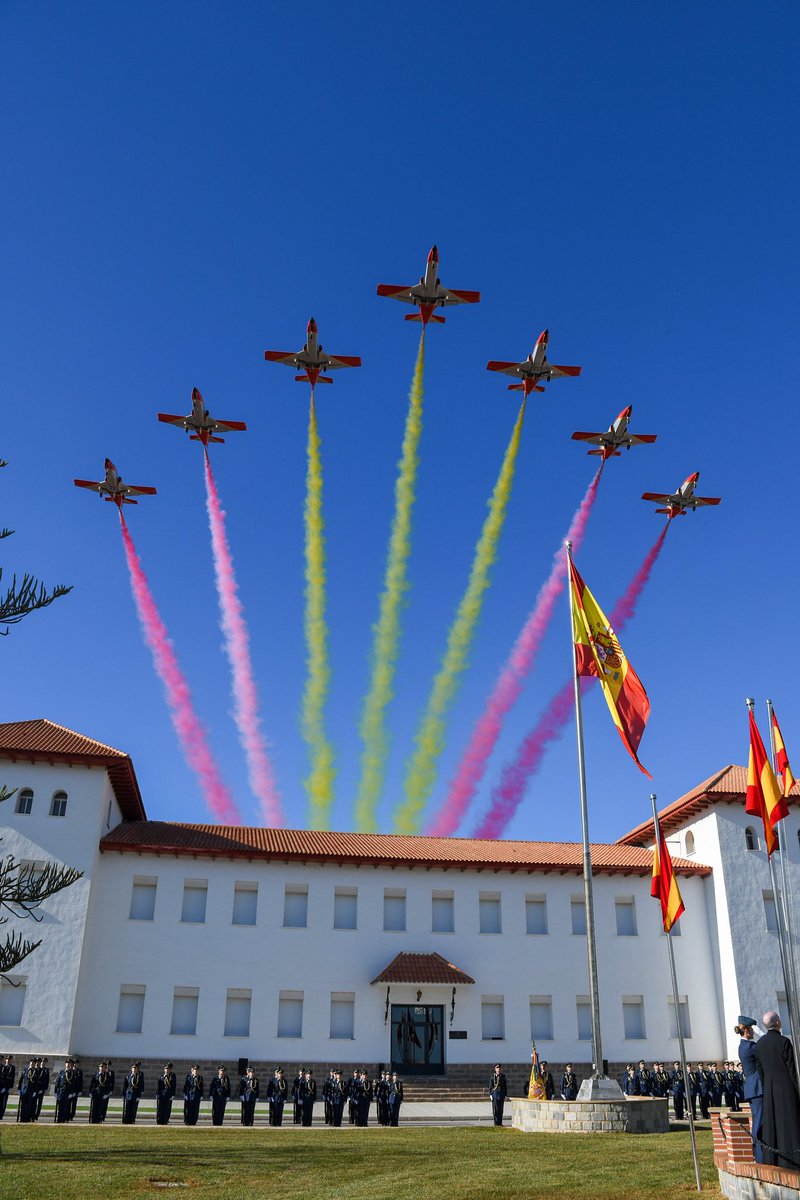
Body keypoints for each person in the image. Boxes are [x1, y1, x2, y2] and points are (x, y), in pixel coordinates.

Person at [754, 1010, 800, 1169]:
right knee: (789, 1124)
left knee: (773, 1125)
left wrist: (768, 1086)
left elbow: (760, 1072)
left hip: (770, 1090)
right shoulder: (784, 1042)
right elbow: (792, 1069)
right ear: (778, 1023)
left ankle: (774, 1159)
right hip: (786, 1090)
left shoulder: (759, 1045)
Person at [54, 1057, 80, 1123]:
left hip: (68, 1093)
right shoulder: (61, 1072)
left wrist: (72, 1093)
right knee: (60, 1107)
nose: (68, 1065)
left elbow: (74, 1084)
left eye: (69, 1063)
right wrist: (55, 1092)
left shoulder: (73, 1073)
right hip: (61, 1092)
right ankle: (59, 1119)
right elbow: (57, 1082)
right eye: (67, 1063)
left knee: (66, 1107)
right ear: (65, 1064)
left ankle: (64, 1119)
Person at [0, 1055, 15, 1120]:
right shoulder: (2, 1067)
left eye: (9, 1059)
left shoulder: (12, 1068)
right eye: (7, 1059)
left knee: (3, 1102)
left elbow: (12, 1078)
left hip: (6, 1087)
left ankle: (1, 1115)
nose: (8, 1060)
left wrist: (10, 1087)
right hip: (1, 1086)